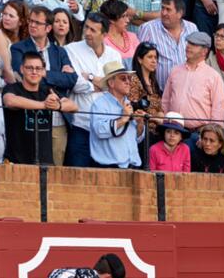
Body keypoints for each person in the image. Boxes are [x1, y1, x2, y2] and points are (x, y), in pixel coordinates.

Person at [63, 13, 123, 167]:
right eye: (86, 27)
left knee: (106, 182)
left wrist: (89, 77)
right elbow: (75, 84)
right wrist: (105, 83)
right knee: (76, 179)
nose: (87, 33)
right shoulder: (71, 50)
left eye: (93, 30)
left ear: (104, 34)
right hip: (81, 127)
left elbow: (118, 88)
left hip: (107, 130)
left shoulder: (114, 55)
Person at [3, 51, 78, 166]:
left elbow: (74, 106)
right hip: (16, 161)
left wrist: (58, 106)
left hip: (45, 162)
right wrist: (43, 105)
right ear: (22, 69)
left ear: (43, 71)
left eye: (38, 68)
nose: (34, 72)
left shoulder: (47, 90)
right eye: (29, 68)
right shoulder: (12, 88)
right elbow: (10, 101)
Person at [161, 31, 224, 133]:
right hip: (173, 130)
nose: (188, 46)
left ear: (204, 51)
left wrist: (211, 135)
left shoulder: (213, 76)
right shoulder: (175, 71)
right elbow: (165, 101)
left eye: (194, 45)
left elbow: (219, 110)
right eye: (188, 43)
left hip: (198, 134)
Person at [9, 6, 78, 98]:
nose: (32, 25)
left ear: (48, 28)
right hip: (31, 102)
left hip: (59, 106)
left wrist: (44, 73)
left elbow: (71, 79)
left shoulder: (60, 52)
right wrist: (58, 78)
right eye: (31, 21)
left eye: (37, 23)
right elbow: (25, 77)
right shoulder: (18, 48)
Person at [89, 61, 146, 169]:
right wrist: (123, 119)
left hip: (133, 165)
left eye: (129, 78)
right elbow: (100, 131)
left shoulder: (129, 104)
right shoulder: (99, 104)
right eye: (123, 78)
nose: (128, 82)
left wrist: (140, 123)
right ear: (111, 83)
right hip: (109, 168)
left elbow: (137, 138)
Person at [136, 0, 197, 90]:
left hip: (187, 91)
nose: (163, 13)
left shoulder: (192, 28)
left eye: (168, 9)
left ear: (180, 13)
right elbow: (137, 61)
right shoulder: (148, 29)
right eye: (162, 8)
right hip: (158, 92)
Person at [129, 41, 166, 148]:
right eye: (150, 57)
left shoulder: (153, 82)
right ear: (140, 59)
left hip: (157, 131)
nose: (154, 61)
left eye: (155, 57)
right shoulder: (133, 80)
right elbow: (135, 110)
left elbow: (160, 110)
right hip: (143, 133)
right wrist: (156, 118)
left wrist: (161, 117)